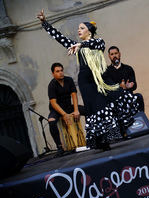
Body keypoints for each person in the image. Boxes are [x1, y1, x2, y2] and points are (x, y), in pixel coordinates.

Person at [37, 10, 139, 150]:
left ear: (89, 31)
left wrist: (81, 45)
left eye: (82, 28)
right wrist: (44, 23)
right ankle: (102, 141)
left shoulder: (98, 42)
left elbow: (96, 44)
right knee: (95, 109)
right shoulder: (76, 47)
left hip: (101, 78)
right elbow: (59, 37)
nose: (79, 30)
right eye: (78, 29)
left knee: (117, 97)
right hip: (86, 81)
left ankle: (120, 130)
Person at [48, 63, 86, 154]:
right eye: (57, 71)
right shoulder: (52, 85)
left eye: (61, 70)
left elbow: (74, 95)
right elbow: (53, 103)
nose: (60, 73)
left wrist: (76, 110)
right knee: (51, 121)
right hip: (57, 109)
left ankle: (93, 136)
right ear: (53, 74)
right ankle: (59, 147)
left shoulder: (69, 80)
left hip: (68, 106)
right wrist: (64, 114)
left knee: (88, 111)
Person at [106, 46, 145, 112]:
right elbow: (108, 89)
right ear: (109, 56)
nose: (114, 56)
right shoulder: (107, 71)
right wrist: (120, 87)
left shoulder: (128, 68)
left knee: (139, 96)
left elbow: (134, 85)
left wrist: (128, 86)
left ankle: (141, 119)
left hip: (128, 96)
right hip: (116, 99)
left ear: (119, 54)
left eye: (116, 53)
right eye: (112, 54)